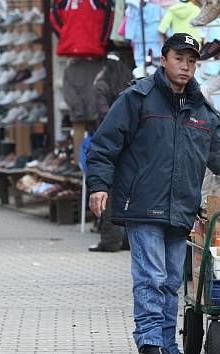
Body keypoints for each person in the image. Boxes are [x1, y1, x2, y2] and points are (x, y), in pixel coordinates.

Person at [86, 33, 220, 354]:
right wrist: (99, 186)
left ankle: (167, 343)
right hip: (142, 206)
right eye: (178, 59)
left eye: (191, 61)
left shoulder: (202, 110)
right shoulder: (137, 99)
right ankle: (149, 341)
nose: (185, 66)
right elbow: (103, 146)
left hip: (181, 208)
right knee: (152, 277)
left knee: (172, 281)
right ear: (163, 59)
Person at [88, 51, 134, 253]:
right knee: (129, 193)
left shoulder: (101, 85)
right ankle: (127, 240)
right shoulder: (128, 82)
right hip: (130, 143)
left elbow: (102, 113)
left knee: (109, 191)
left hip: (109, 141)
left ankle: (110, 239)